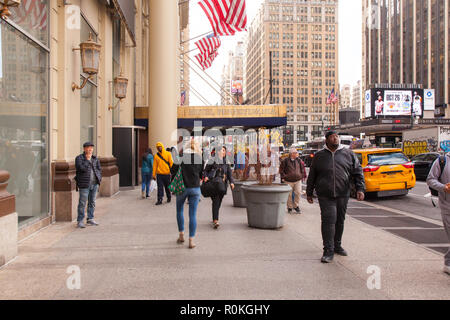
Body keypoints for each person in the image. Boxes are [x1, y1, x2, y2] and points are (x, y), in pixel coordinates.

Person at [306, 131, 365, 263]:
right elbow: (312, 176)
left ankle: (337, 245)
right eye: (333, 137)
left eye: (337, 136)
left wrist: (360, 188)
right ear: (327, 140)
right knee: (328, 221)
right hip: (325, 194)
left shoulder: (348, 154)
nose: (335, 138)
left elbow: (357, 172)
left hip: (343, 193)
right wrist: (309, 192)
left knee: (340, 220)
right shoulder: (319, 156)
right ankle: (328, 250)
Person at [172, 139, 204, 249]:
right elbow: (201, 174)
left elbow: (173, 170)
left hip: (182, 187)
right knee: (193, 215)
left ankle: (181, 235)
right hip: (195, 188)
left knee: (179, 210)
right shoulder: (199, 158)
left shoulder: (181, 157)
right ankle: (191, 240)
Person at [427, 153, 450, 275]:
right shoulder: (442, 161)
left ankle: (448, 262)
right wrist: (443, 187)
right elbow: (430, 179)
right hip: (448, 207)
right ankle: (448, 262)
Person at [204, 146, 235, 229]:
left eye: (224, 150)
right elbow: (205, 171)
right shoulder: (212, 160)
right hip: (213, 184)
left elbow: (229, 174)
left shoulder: (226, 163)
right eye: (222, 150)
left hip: (222, 185)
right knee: (216, 200)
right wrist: (205, 177)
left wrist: (232, 182)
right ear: (218, 152)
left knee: (218, 201)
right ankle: (215, 220)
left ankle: (215, 215)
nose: (224, 152)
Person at [75, 142, 102, 228]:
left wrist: (99, 178)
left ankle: (90, 219)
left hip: (94, 184)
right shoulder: (79, 158)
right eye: (88, 148)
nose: (90, 149)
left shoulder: (95, 159)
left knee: (92, 202)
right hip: (84, 184)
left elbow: (99, 169)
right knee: (82, 203)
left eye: (91, 148)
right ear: (84, 149)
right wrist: (87, 160)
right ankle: (80, 221)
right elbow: (81, 169)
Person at [280, 148, 307, 214]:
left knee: (298, 192)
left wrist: (301, 176)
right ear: (291, 154)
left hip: (297, 180)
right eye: (296, 153)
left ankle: (296, 206)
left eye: (297, 153)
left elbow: (302, 169)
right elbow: (281, 170)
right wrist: (284, 177)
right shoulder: (285, 161)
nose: (297, 154)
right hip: (288, 180)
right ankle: (289, 207)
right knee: (289, 195)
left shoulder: (299, 160)